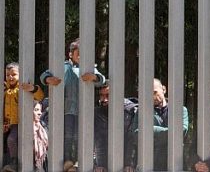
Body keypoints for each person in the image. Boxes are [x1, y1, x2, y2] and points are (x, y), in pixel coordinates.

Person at [40, 39, 106, 169]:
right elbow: (44, 75)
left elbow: (101, 79)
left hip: (83, 109)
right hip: (67, 108)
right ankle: (67, 159)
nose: (82, 56)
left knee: (79, 134)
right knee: (68, 134)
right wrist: (48, 79)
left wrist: (94, 77)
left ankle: (77, 160)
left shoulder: (90, 68)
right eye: (79, 53)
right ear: (71, 54)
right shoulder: (64, 66)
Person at [3, 63, 43, 166]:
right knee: (7, 143)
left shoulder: (22, 88)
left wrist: (33, 88)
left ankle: (14, 162)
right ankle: (8, 162)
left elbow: (40, 96)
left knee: (12, 140)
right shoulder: (5, 89)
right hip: (8, 123)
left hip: (18, 122)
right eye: (7, 75)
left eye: (14, 74)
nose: (10, 77)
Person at [94, 82, 138, 172]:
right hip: (108, 161)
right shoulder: (98, 112)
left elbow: (132, 139)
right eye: (101, 95)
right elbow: (99, 139)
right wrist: (101, 165)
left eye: (108, 95)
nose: (104, 99)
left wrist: (129, 164)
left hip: (130, 162)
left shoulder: (131, 111)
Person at [4, 101, 47, 171]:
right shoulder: (19, 130)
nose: (40, 113)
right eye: (36, 110)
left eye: (41, 110)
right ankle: (14, 163)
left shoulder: (43, 129)